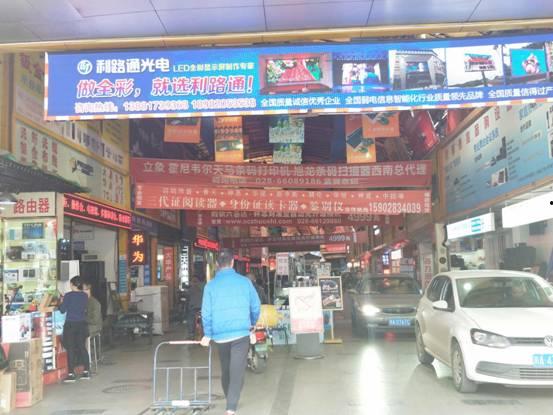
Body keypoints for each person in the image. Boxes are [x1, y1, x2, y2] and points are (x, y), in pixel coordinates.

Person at [201, 249, 261, 415]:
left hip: (220, 335)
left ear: (217, 265)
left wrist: (208, 333)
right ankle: (231, 406)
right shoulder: (245, 282)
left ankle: (230, 399)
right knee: (237, 369)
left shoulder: (210, 286)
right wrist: (252, 323)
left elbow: (206, 313)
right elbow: (255, 306)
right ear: (233, 262)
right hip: (241, 333)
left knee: (226, 368)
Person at [59, 276, 90, 382]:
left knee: (71, 348)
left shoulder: (68, 295)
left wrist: (62, 301)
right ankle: (86, 371)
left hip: (71, 325)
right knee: (82, 347)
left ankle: (71, 373)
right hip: (82, 325)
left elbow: (62, 310)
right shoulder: (85, 296)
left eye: (71, 284)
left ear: (73, 285)